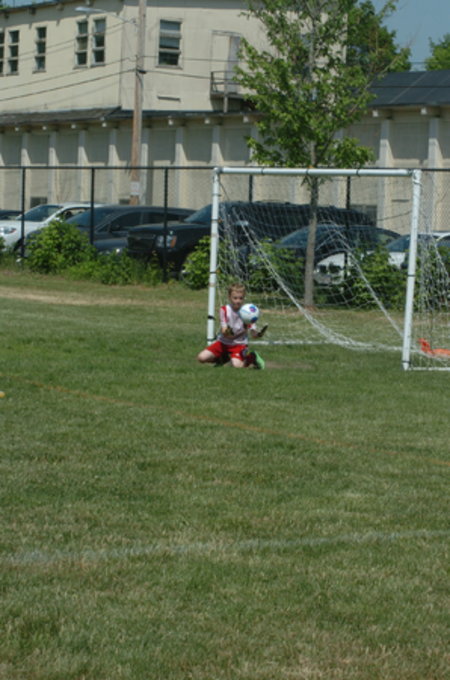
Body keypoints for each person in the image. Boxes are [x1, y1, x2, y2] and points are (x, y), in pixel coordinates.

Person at [197, 282, 267, 369]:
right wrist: (228, 332)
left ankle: (252, 357)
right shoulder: (224, 310)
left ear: (244, 298)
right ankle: (223, 358)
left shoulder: (248, 312)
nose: (238, 301)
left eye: (241, 298)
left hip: (239, 344)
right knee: (201, 358)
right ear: (229, 297)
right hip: (223, 342)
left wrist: (258, 334)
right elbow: (224, 330)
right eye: (235, 298)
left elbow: (253, 333)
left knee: (237, 366)